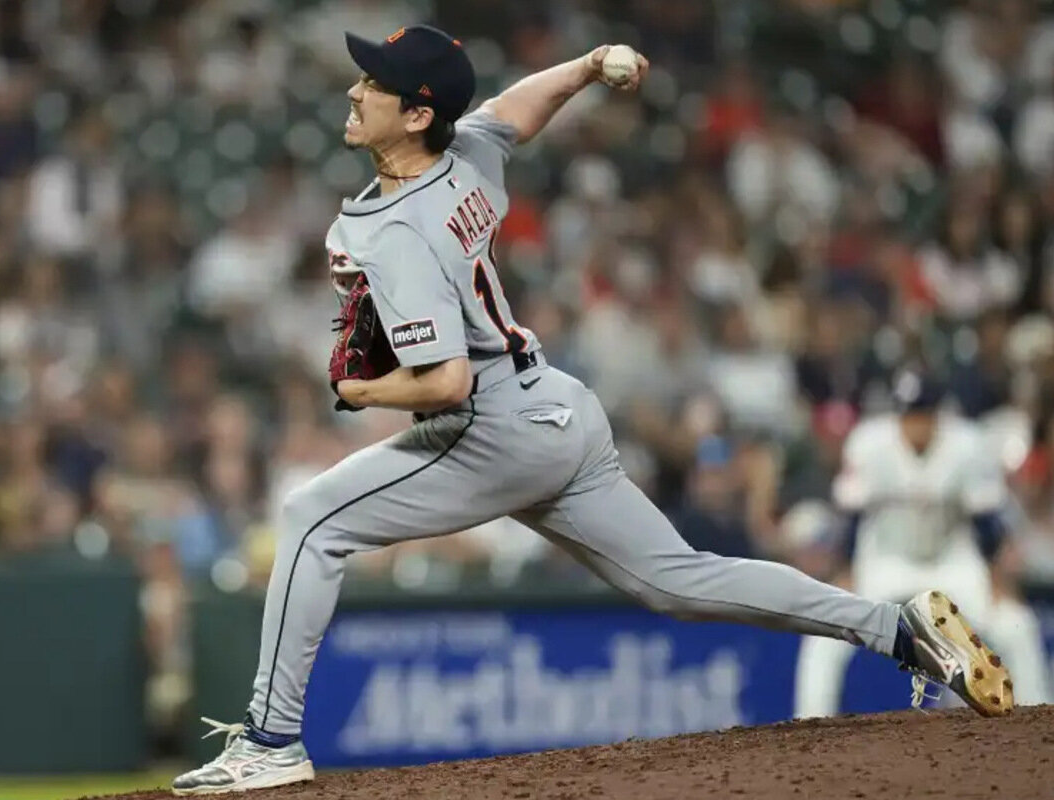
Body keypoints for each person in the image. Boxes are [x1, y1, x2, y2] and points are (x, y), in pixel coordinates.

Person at [172, 26, 1016, 795]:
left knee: (312, 517)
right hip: (560, 410)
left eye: (375, 83)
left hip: (491, 426)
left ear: (417, 111)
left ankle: (272, 741)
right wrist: (582, 67)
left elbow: (445, 383)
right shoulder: (463, 156)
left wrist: (362, 391)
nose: (356, 91)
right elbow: (512, 110)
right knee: (679, 580)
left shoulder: (388, 229)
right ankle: (896, 628)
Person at [794, 369, 1050, 718]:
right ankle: (809, 725)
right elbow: (853, 516)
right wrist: (845, 571)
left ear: (937, 416)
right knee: (823, 636)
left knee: (1016, 626)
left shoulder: (966, 445)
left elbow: (985, 521)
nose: (913, 424)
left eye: (922, 415)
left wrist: (998, 578)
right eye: (907, 415)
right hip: (887, 560)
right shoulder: (870, 444)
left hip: (952, 560)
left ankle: (1040, 722)